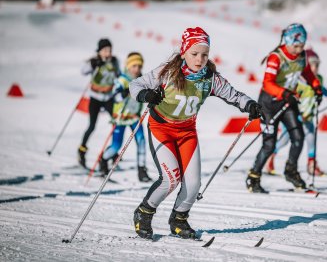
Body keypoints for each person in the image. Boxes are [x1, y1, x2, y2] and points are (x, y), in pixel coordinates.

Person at [129, 27, 261, 240]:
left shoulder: (209, 78)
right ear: (183, 52)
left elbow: (233, 95)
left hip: (186, 132)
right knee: (170, 179)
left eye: (204, 54)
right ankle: (144, 213)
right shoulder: (168, 72)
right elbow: (136, 84)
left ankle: (179, 220)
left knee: (193, 183)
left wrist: (249, 105)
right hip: (161, 129)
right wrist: (146, 94)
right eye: (194, 54)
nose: (200, 59)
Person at [247, 23, 322, 193]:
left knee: (298, 136)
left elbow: (307, 73)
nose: (299, 49)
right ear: (288, 42)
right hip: (268, 104)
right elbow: (267, 83)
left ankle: (291, 171)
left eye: (302, 45)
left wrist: (316, 87)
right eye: (296, 45)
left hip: (287, 102)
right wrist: (284, 93)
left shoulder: (301, 56)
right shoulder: (277, 57)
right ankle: (253, 177)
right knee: (269, 143)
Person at [265, 48, 327, 176]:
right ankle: (270, 158)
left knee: (311, 138)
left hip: (308, 116)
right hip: (293, 116)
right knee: (284, 140)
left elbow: (322, 89)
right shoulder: (299, 80)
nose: (315, 67)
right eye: (312, 64)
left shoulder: (318, 79)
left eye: (317, 64)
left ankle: (312, 165)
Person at [99, 52, 152, 182]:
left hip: (134, 117)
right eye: (134, 66)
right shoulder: (122, 79)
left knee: (141, 141)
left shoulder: (141, 80)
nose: (137, 69)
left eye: (139, 66)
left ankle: (141, 170)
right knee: (116, 146)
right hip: (121, 117)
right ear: (128, 66)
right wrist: (126, 91)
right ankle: (104, 161)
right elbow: (115, 97)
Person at [78, 38, 120, 168]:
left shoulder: (114, 61)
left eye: (109, 50)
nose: (108, 52)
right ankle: (82, 150)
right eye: (105, 50)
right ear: (100, 51)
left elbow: (119, 75)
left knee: (116, 124)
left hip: (109, 98)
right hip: (95, 98)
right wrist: (93, 63)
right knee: (92, 126)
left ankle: (112, 151)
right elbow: (83, 71)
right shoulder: (95, 62)